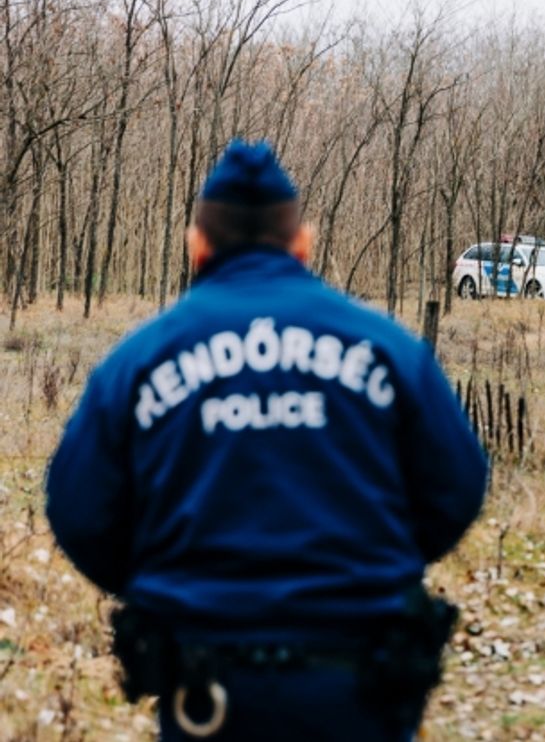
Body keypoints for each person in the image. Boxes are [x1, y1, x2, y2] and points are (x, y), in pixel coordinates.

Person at [46, 140, 489, 741]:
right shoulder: (389, 351)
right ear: (301, 243)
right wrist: (378, 567)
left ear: (196, 245)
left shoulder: (139, 363)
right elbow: (457, 487)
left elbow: (77, 511)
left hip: (205, 696)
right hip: (359, 687)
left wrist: (166, 581)